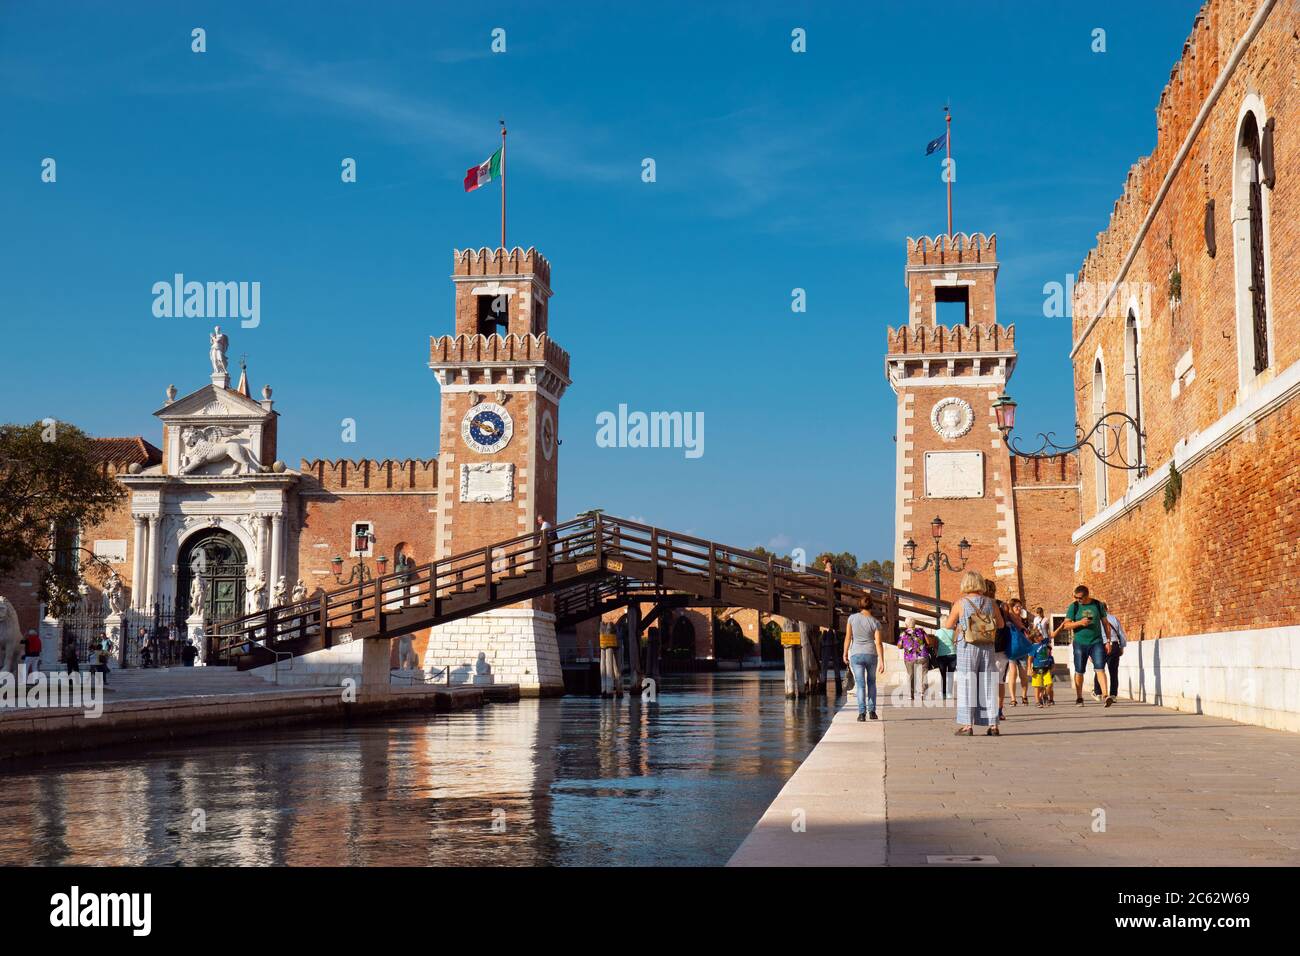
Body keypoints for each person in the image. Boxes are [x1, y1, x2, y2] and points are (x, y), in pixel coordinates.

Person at [946, 571, 1005, 736]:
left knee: (967, 684)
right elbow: (1000, 624)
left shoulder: (961, 603)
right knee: (988, 685)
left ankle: (967, 725)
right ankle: (993, 725)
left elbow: (948, 624)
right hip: (987, 647)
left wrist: (962, 623)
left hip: (967, 647)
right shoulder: (991, 602)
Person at [1054, 584, 1113, 707]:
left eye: (1080, 598)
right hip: (1080, 643)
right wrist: (1080, 623)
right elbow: (1066, 625)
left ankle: (1106, 695)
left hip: (1096, 642)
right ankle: (1079, 697)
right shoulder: (1074, 606)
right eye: (1075, 597)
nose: (1077, 600)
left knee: (1100, 668)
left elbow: (1106, 624)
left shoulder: (1097, 605)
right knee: (1079, 671)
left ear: (1087, 596)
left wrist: (1108, 641)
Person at [842, 595, 885, 721]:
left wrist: (845, 653)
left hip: (856, 654)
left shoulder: (851, 618)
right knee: (871, 683)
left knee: (860, 685)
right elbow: (878, 643)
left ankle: (862, 714)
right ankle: (872, 712)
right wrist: (882, 661)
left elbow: (848, 638)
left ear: (859, 605)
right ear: (871, 606)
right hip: (871, 654)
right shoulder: (875, 622)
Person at [1004, 598, 1033, 708]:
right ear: (1012, 608)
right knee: (1013, 673)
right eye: (1017, 606)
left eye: (1020, 606)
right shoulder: (1009, 619)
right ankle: (1013, 698)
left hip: (1023, 650)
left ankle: (1024, 696)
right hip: (1012, 649)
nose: (1019, 608)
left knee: (1023, 675)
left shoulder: (1023, 619)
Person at [1094, 609, 1127, 701]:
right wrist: (1122, 647)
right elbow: (1121, 634)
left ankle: (1098, 693)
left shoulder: (1095, 620)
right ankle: (1113, 695)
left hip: (1100, 645)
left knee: (1099, 669)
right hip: (1114, 645)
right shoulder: (1113, 618)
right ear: (1107, 609)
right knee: (1114, 672)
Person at [897, 615, 929, 702]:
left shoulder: (903, 633)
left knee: (910, 675)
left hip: (909, 657)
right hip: (922, 655)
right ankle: (923, 693)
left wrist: (905, 644)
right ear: (915, 624)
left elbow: (899, 646)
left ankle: (911, 695)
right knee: (924, 674)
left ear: (906, 624)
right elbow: (928, 642)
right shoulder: (921, 631)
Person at [1030, 627, 1055, 706]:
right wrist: (1029, 668)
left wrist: (1061, 627)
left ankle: (1045, 695)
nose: (1041, 636)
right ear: (1035, 638)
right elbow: (1030, 659)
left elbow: (1052, 635)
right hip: (1037, 669)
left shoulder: (1044, 642)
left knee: (1049, 684)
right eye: (1039, 635)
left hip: (1046, 668)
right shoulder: (1033, 647)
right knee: (1037, 686)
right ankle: (1037, 701)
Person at [931, 623, 957, 701]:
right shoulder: (953, 632)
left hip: (941, 655)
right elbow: (955, 642)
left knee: (943, 675)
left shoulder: (938, 632)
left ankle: (943, 693)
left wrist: (936, 654)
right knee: (950, 675)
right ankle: (949, 693)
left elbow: (935, 644)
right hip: (952, 655)